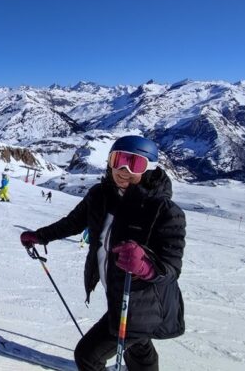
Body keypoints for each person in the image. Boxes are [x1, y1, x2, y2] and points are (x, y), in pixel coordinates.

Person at [20, 135, 186, 371]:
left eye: (134, 163)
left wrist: (146, 266)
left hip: (143, 302)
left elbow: (171, 268)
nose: (123, 170)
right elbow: (73, 223)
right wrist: (40, 236)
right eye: (117, 160)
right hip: (119, 294)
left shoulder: (164, 211)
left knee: (88, 356)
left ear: (149, 168)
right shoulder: (100, 195)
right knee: (138, 344)